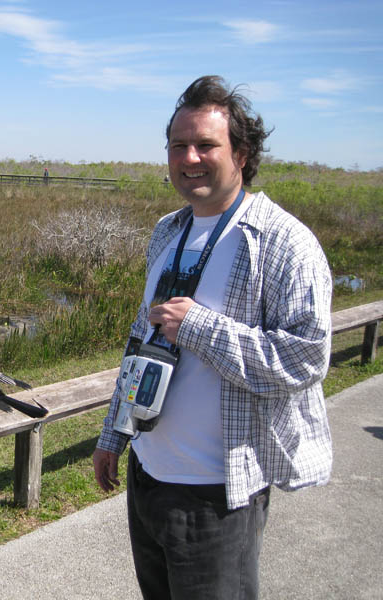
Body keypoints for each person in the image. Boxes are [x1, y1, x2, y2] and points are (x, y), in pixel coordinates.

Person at [92, 75, 333, 599]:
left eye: (206, 144)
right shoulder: (168, 231)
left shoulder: (284, 242)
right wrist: (115, 434)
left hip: (219, 492)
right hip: (150, 475)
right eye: (179, 145)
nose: (190, 157)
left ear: (242, 153)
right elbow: (142, 340)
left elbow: (306, 359)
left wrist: (200, 327)